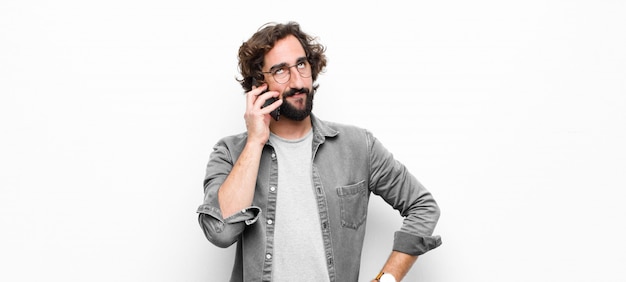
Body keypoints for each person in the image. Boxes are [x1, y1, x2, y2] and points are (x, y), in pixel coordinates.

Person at [197, 21, 442, 282]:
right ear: (259, 83)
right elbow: (221, 233)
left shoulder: (358, 146)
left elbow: (423, 206)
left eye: (301, 65)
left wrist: (387, 278)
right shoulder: (230, 152)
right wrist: (256, 141)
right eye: (280, 70)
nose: (297, 81)